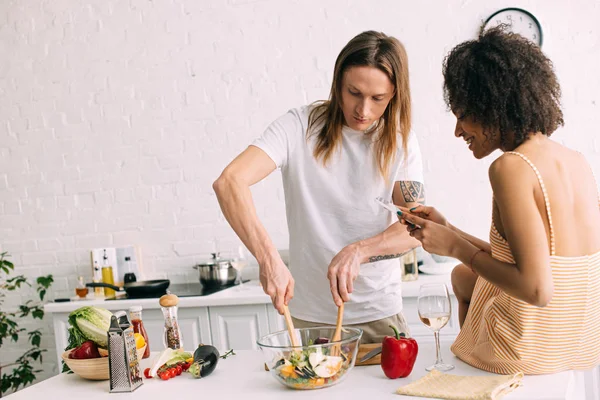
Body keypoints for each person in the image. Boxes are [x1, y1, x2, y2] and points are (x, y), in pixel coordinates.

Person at [399, 26, 600, 374]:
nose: (458, 131)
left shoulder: (511, 167)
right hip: (579, 343)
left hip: (528, 349)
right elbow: (540, 264)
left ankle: (471, 376)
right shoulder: (575, 160)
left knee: (462, 274)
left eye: (463, 115)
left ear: (492, 107)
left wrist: (456, 249)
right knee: (465, 275)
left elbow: (536, 289)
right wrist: (450, 232)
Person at [213, 31, 424, 343]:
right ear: (338, 83)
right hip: (309, 316)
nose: (363, 111)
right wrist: (269, 260)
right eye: (354, 92)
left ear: (394, 95)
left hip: (378, 313)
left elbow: (416, 227)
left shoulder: (400, 141)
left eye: (377, 99)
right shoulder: (299, 126)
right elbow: (229, 182)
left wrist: (359, 250)